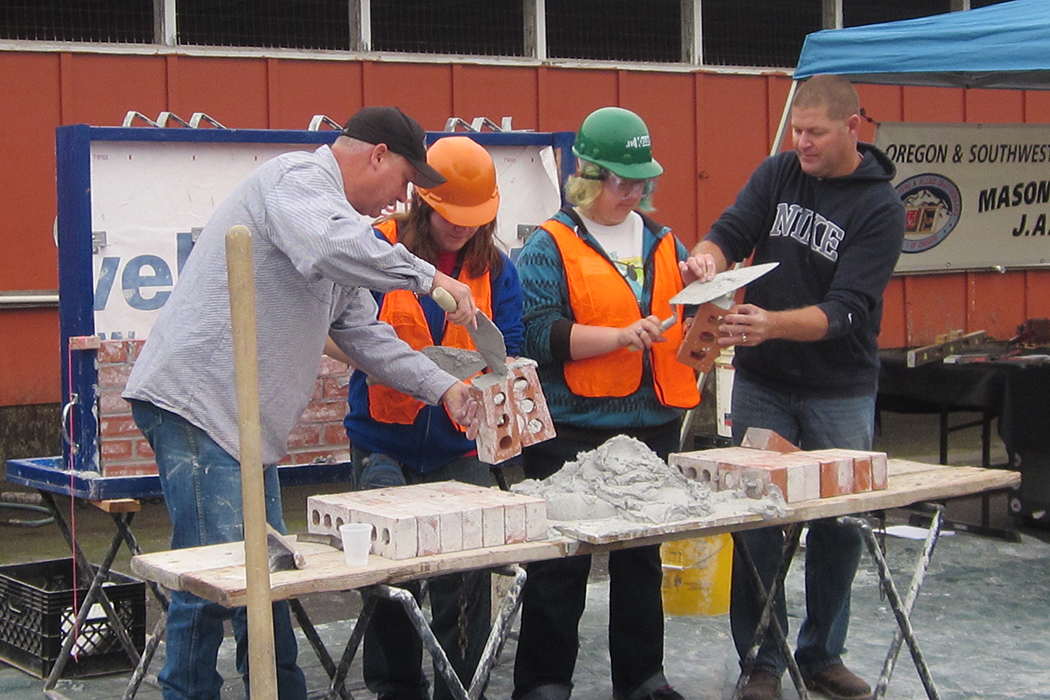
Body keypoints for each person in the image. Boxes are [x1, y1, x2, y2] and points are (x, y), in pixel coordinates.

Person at [123, 106, 483, 700]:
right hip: (200, 405)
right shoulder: (297, 183)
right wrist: (429, 278)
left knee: (269, 576)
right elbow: (324, 246)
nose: (400, 202)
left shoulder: (344, 233)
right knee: (217, 573)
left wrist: (443, 387)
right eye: (404, 183)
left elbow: (365, 336)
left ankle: (282, 691)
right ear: (377, 156)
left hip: (243, 423)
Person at [688, 75, 906, 700]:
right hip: (763, 385)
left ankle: (821, 653)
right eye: (797, 131)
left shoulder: (880, 207)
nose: (803, 143)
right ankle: (761, 659)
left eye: (815, 133)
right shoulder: (778, 172)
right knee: (755, 516)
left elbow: (849, 310)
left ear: (852, 128)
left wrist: (770, 325)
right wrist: (707, 257)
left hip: (840, 388)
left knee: (840, 523)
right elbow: (730, 229)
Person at [511, 106, 705, 700]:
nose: (634, 193)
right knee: (561, 562)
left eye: (642, 181)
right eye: (622, 181)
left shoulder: (664, 240)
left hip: (653, 423)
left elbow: (684, 326)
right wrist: (619, 338)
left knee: (642, 556)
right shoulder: (548, 245)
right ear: (587, 176)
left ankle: (644, 678)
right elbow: (540, 335)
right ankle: (545, 683)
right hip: (575, 425)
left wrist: (704, 298)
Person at [341, 135, 524, 700]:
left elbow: (509, 352)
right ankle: (396, 687)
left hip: (458, 447)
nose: (459, 228)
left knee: (464, 574)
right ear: (422, 200)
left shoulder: (496, 270)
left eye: (472, 219)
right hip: (383, 441)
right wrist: (408, 368)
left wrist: (506, 395)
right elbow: (342, 333)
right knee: (389, 572)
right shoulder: (377, 248)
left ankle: (458, 686)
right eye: (450, 216)